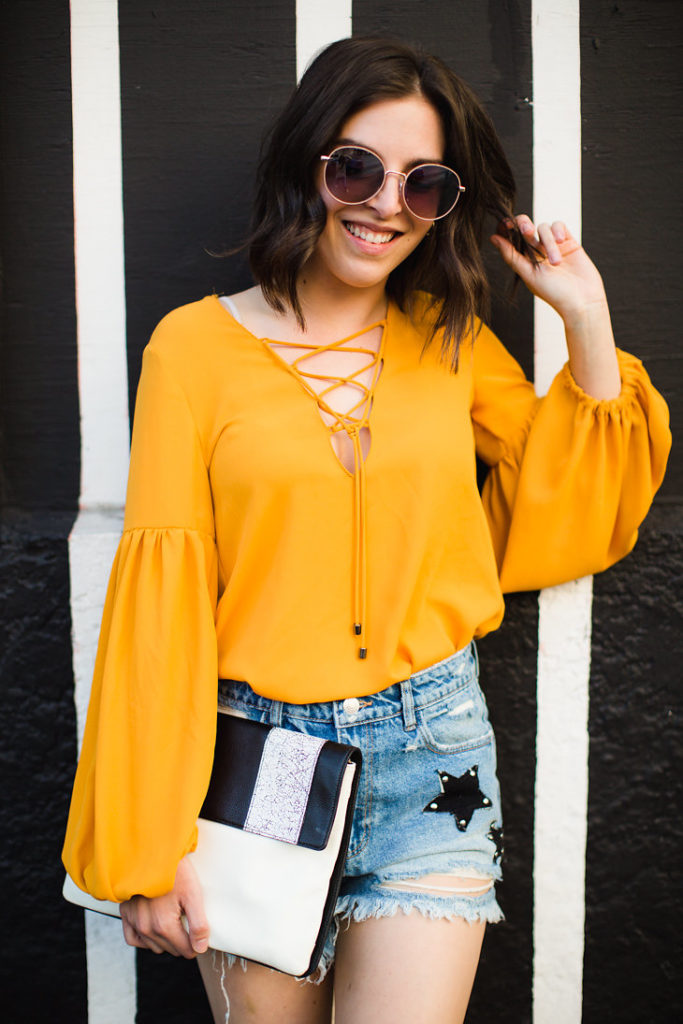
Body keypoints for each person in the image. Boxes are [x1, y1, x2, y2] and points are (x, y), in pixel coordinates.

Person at [62, 37, 670, 1024]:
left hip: (433, 756)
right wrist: (148, 839)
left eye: (423, 184)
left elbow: (575, 505)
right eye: (356, 167)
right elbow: (163, 601)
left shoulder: (452, 344)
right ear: (305, 163)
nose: (384, 202)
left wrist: (583, 317)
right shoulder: (191, 350)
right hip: (254, 766)